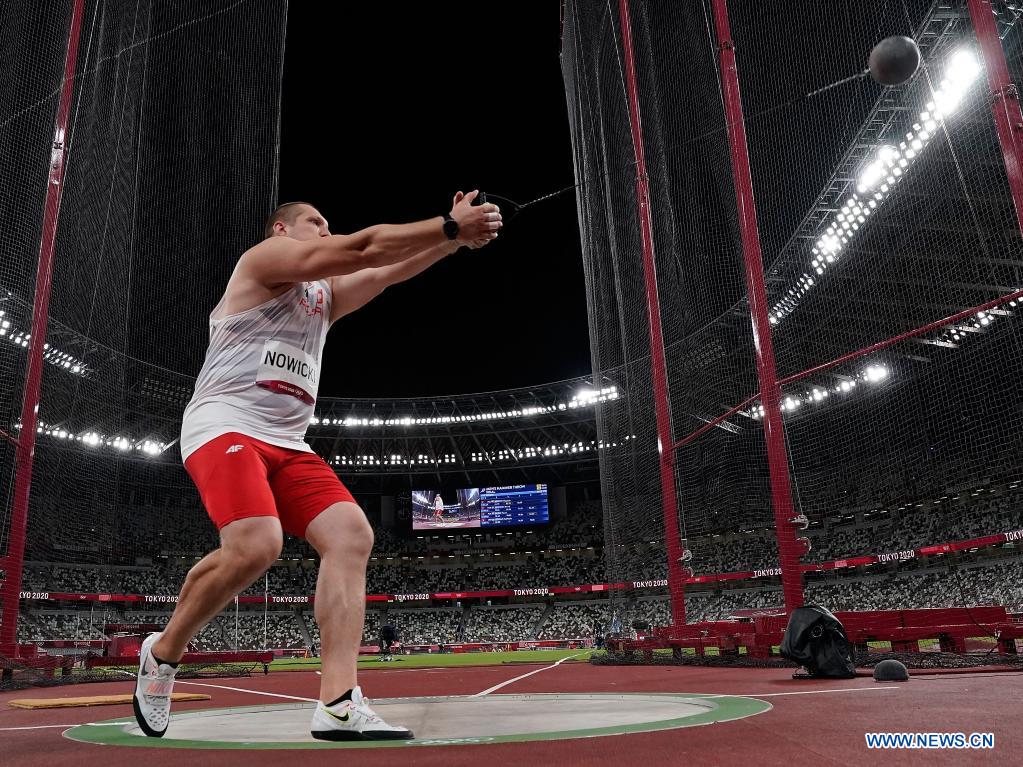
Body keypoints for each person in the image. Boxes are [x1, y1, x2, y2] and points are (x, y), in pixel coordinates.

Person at [132, 192, 501, 741]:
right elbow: (365, 248)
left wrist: (453, 245)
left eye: (330, 224)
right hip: (225, 423)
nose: (327, 230)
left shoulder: (323, 297)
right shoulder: (262, 261)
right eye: (315, 222)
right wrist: (449, 224)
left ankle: (338, 703)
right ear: (281, 230)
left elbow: (384, 271)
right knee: (257, 546)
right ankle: (163, 653)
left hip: (288, 440)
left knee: (351, 535)